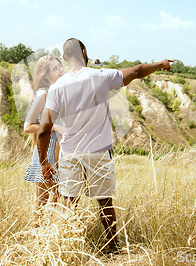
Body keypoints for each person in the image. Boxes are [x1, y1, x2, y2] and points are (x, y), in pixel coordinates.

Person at [36, 38, 172, 254]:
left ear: (63, 58)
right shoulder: (101, 76)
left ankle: (65, 247)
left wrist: (44, 162)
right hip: (98, 152)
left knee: (69, 203)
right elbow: (136, 71)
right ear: (84, 52)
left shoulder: (57, 87)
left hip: (70, 153)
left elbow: (44, 130)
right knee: (105, 203)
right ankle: (113, 249)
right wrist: (160, 63)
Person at [22, 54, 65, 218]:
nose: (60, 70)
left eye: (60, 66)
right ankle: (36, 236)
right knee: (42, 199)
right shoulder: (42, 94)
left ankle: (47, 234)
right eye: (55, 68)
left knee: (55, 195)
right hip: (46, 149)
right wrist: (53, 127)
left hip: (59, 148)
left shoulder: (55, 91)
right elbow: (28, 126)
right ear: (46, 75)